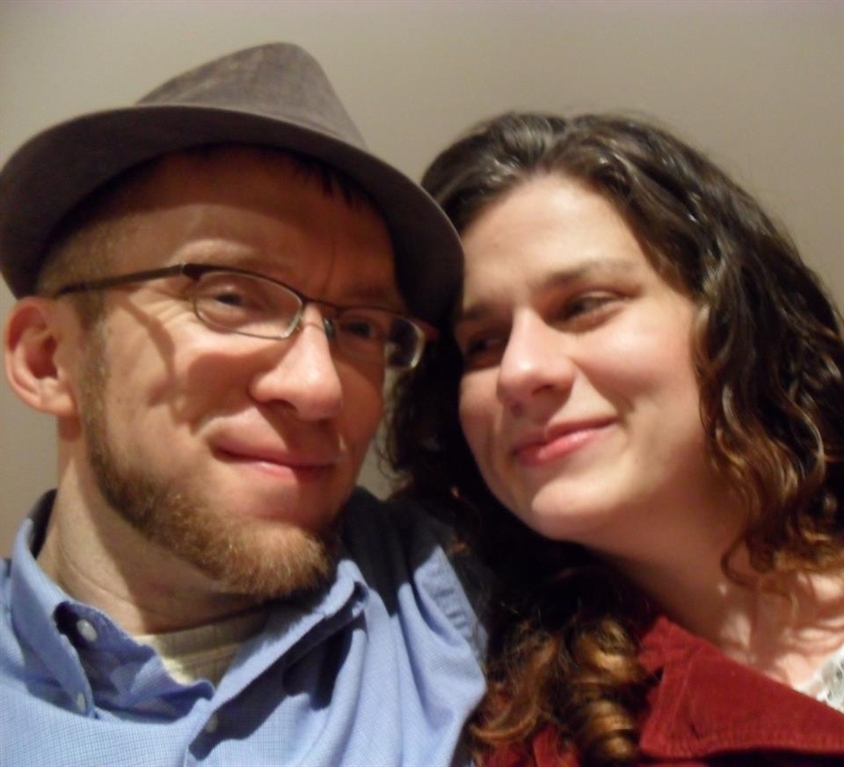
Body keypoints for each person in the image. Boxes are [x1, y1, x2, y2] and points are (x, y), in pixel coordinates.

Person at [0, 43, 486, 766]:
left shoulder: (453, 595)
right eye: (229, 296)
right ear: (47, 359)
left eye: (360, 327)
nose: (320, 389)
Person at [389, 112, 844, 765]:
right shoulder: (519, 736)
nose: (519, 371)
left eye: (583, 305)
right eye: (483, 343)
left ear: (727, 317)